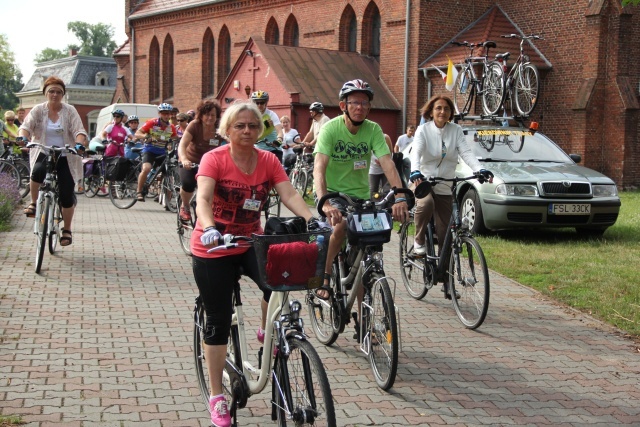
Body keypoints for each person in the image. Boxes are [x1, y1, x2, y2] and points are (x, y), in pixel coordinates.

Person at [191, 100, 321, 427]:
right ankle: (218, 397)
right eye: (240, 126)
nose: (248, 131)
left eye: (253, 125)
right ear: (228, 130)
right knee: (218, 320)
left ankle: (266, 331)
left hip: (250, 240)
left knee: (277, 282)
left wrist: (310, 217)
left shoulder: (268, 160)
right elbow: (203, 199)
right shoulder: (214, 158)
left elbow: (289, 193)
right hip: (214, 246)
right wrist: (208, 227)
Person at [313, 79, 409, 315]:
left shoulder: (373, 130)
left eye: (364, 102)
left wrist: (399, 196)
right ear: (343, 105)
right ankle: (325, 275)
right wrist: (324, 201)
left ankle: (366, 323)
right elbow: (319, 168)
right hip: (336, 194)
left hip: (361, 196)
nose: (360, 107)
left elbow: (387, 164)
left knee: (365, 253)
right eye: (354, 102)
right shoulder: (330, 129)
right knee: (341, 225)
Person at [409, 95, 492, 298]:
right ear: (431, 111)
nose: (442, 112)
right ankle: (419, 242)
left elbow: (466, 152)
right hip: (424, 181)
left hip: (446, 184)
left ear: (450, 113)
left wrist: (479, 168)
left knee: (446, 235)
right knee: (426, 203)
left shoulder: (455, 131)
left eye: (446, 109)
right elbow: (416, 152)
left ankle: (447, 281)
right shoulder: (423, 130)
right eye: (438, 108)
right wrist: (415, 171)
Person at [18, 76, 88, 246]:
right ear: (46, 93)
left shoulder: (69, 110)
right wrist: (23, 138)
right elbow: (26, 127)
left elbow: (79, 130)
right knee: (37, 172)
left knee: (66, 193)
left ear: (62, 95)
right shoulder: (38, 110)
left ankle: (67, 230)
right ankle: (34, 203)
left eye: (58, 92)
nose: (55, 94)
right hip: (43, 150)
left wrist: (79, 144)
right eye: (51, 91)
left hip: (65, 154)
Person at [177, 98, 223, 222]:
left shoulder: (220, 127)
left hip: (210, 164)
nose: (210, 118)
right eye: (207, 115)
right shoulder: (194, 125)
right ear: (201, 115)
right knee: (188, 183)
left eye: (213, 115)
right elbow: (182, 144)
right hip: (191, 161)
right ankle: (185, 206)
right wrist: (184, 159)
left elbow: (231, 141)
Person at [135, 103, 177, 201]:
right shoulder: (152, 123)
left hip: (162, 152)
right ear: (159, 113)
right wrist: (146, 136)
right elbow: (138, 133)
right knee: (146, 168)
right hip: (150, 150)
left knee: (169, 174)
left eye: (168, 114)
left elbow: (175, 137)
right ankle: (139, 191)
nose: (166, 116)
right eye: (164, 113)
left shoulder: (171, 127)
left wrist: (175, 141)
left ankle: (168, 200)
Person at [250, 90, 284, 162]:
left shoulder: (271, 115)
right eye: (257, 103)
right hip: (258, 150)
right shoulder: (252, 116)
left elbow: (280, 131)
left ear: (266, 103)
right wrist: (264, 125)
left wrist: (279, 141)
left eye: (262, 103)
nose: (259, 105)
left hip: (273, 149)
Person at [368, 134, 394, 201]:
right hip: (373, 169)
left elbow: (390, 152)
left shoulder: (386, 137)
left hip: (385, 168)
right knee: (373, 190)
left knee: (387, 189)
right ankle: (374, 205)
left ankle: (387, 206)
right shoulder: (369, 138)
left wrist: (385, 161)